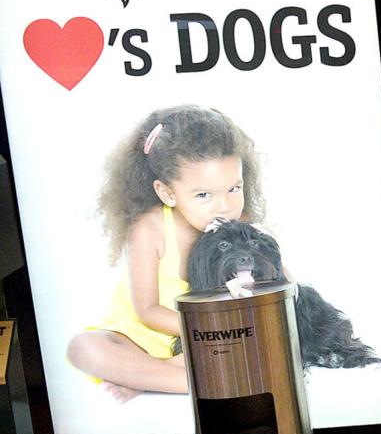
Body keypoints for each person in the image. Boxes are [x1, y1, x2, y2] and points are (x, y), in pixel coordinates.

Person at [68, 105, 265, 400]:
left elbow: (282, 284)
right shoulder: (150, 228)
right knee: (83, 348)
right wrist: (208, 329)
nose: (225, 206)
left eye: (234, 189)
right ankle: (202, 382)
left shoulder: (240, 228)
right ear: (167, 193)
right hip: (139, 339)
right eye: (204, 195)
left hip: (199, 346)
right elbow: (147, 311)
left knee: (252, 342)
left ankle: (147, 378)